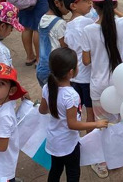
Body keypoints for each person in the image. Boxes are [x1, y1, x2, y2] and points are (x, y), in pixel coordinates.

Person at [81, 0, 123, 178]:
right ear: (115, 4)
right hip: (120, 83)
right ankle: (116, 158)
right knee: (118, 123)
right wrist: (113, 9)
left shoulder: (89, 29)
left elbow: (86, 60)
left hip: (99, 85)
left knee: (100, 125)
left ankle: (101, 163)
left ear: (94, 5)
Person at [39, 48, 108, 182]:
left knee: (55, 170)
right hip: (68, 144)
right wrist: (96, 124)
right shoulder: (71, 96)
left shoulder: (47, 87)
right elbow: (72, 124)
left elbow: (42, 110)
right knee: (73, 173)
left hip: (53, 141)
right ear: (71, 72)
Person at [61, 0, 97, 128]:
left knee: (76, 112)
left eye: (90, 0)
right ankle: (90, 142)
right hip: (87, 77)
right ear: (73, 6)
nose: (90, 3)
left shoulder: (68, 25)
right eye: (85, 1)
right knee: (91, 113)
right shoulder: (86, 22)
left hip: (75, 76)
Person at [37, 0, 69, 86]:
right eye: (67, 3)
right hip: (53, 69)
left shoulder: (43, 18)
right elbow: (64, 46)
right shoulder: (60, 23)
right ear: (57, 3)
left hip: (41, 67)